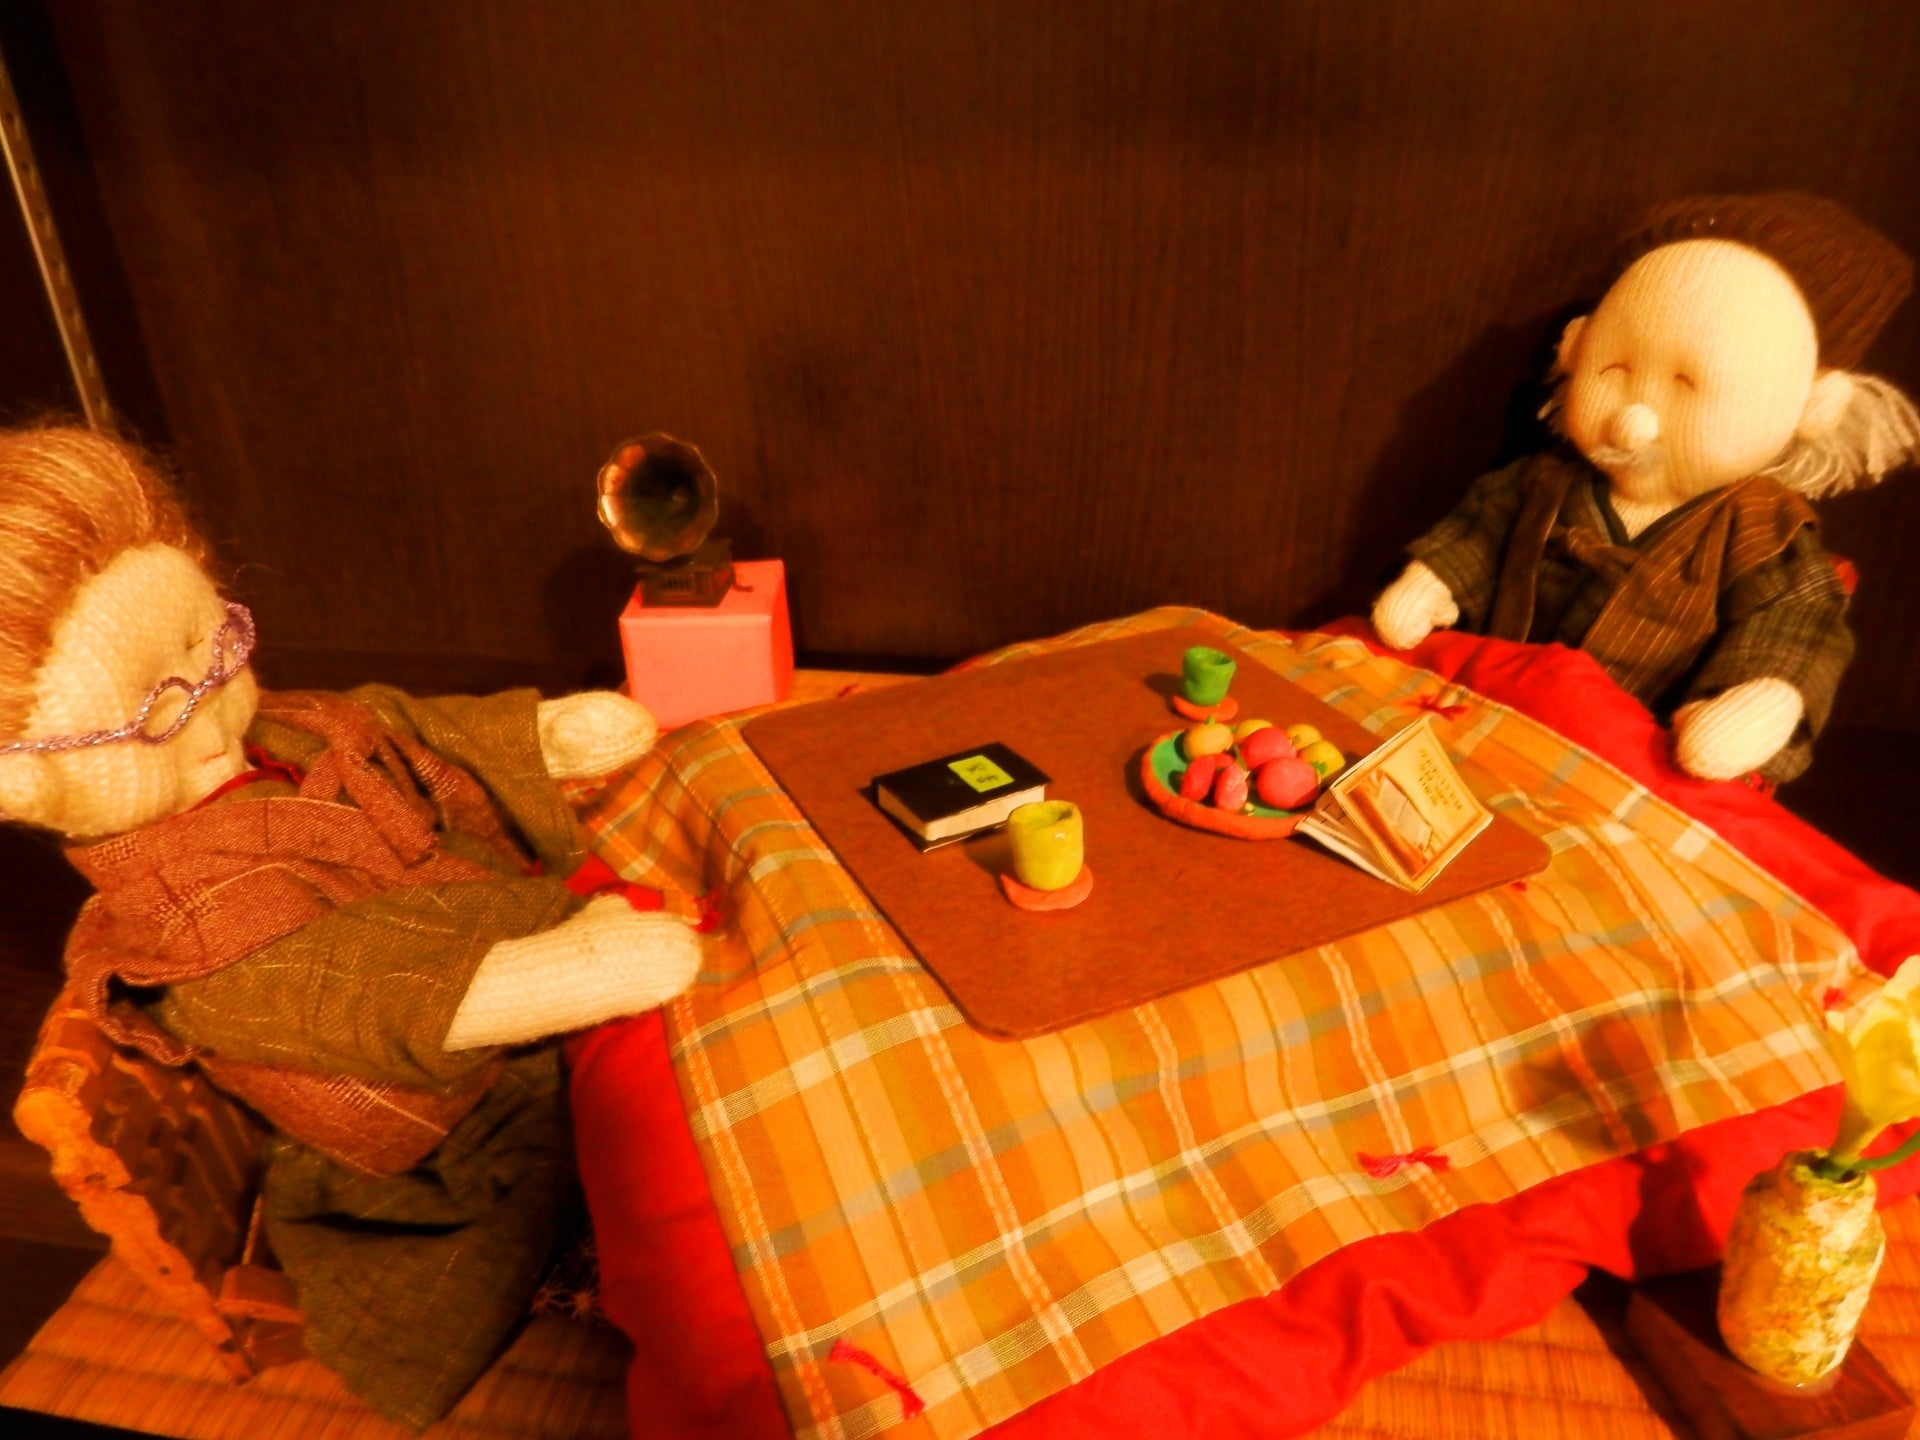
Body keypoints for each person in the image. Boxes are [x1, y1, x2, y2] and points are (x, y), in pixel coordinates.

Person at [0, 424, 701, 1426]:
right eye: (159, 711)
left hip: (520, 958)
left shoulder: (276, 726)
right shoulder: (187, 933)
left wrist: (539, 737)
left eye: (214, 649)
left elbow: (393, 729)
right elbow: (352, 996)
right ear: (26, 781)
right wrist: (558, 972)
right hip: (462, 1125)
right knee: (678, 1190)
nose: (214, 710)